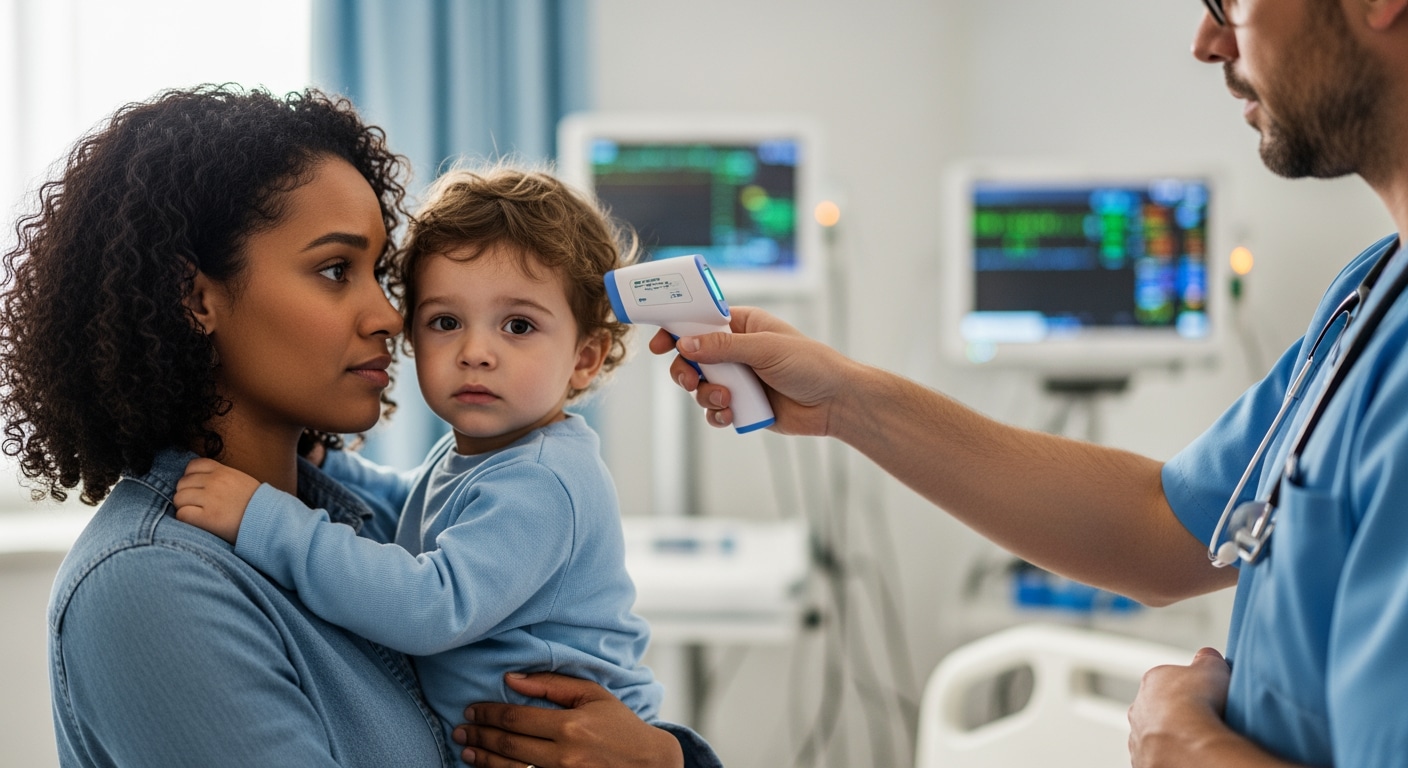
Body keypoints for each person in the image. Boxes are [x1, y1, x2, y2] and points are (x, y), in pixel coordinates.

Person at [649, 1, 1408, 766]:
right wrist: (846, 398)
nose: (1206, 41)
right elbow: (1158, 529)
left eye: (1229, 0)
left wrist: (1187, 748)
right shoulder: (1369, 296)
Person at [0, 85, 718, 768]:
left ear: (584, 359)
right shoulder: (150, 585)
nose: (387, 317)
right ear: (196, 297)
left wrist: (666, 757)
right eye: (338, 270)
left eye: (381, 273)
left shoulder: (344, 518)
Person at [173, 165, 667, 753]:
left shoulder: (542, 480)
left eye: (518, 325)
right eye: (445, 322)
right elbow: (414, 506)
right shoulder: (490, 452)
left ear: (585, 358)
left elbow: (430, 606)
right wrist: (328, 466)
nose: (476, 352)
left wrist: (265, 520)